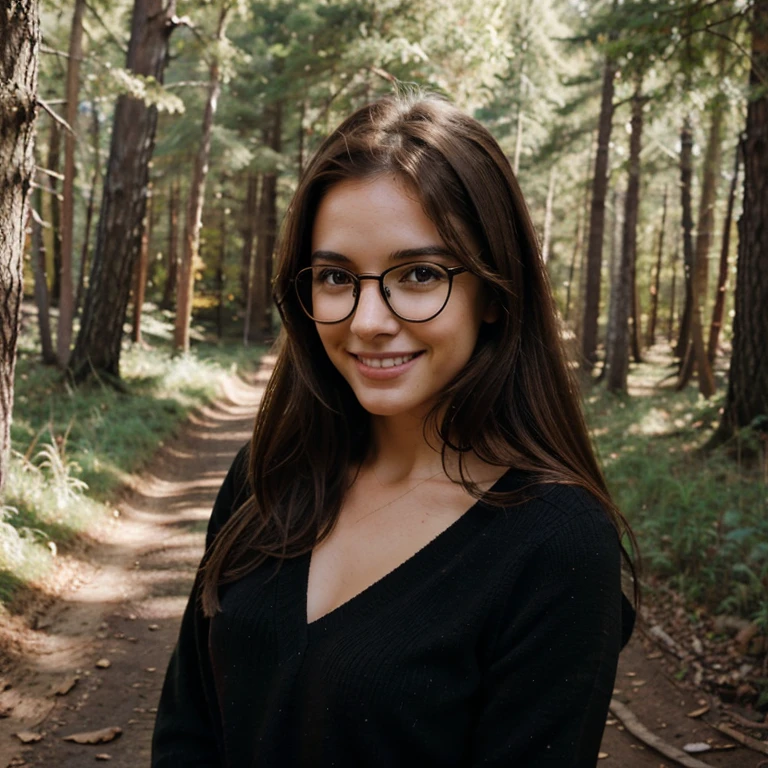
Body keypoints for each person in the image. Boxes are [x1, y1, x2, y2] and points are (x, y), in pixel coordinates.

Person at [152, 92, 636, 768]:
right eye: (335, 276)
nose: (368, 319)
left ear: (495, 292)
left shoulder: (557, 545)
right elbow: (189, 728)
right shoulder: (268, 478)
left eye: (418, 274)